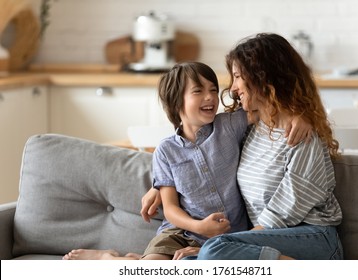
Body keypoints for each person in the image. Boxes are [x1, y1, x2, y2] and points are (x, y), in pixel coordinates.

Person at [63, 61, 311, 260]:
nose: (210, 97)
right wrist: (198, 227)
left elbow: (269, 108)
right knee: (151, 269)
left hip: (230, 233)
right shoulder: (166, 151)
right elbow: (170, 209)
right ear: (176, 101)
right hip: (180, 232)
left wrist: (300, 116)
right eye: (198, 91)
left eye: (213, 89)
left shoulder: (229, 125)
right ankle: (110, 260)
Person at [195, 33, 343, 260]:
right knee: (187, 262)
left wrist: (221, 246)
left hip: (313, 238)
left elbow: (282, 213)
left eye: (237, 76)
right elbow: (203, 155)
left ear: (263, 78)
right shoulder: (251, 130)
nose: (233, 88)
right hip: (269, 239)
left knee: (213, 251)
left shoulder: (302, 136)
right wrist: (163, 186)